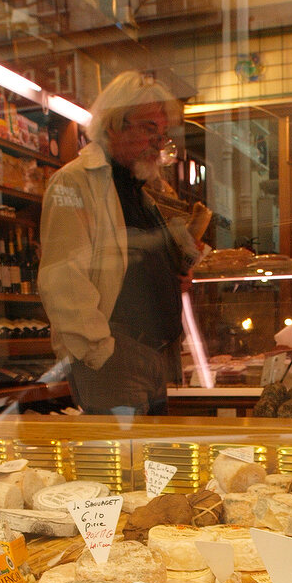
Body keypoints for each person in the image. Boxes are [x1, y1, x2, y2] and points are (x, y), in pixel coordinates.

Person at [38, 72, 201, 415]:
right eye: (147, 129)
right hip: (115, 360)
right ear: (113, 124)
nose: (158, 142)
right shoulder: (74, 182)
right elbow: (62, 282)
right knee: (123, 466)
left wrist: (175, 280)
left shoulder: (144, 191)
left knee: (154, 466)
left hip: (155, 358)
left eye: (162, 133)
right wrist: (103, 354)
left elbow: (138, 266)